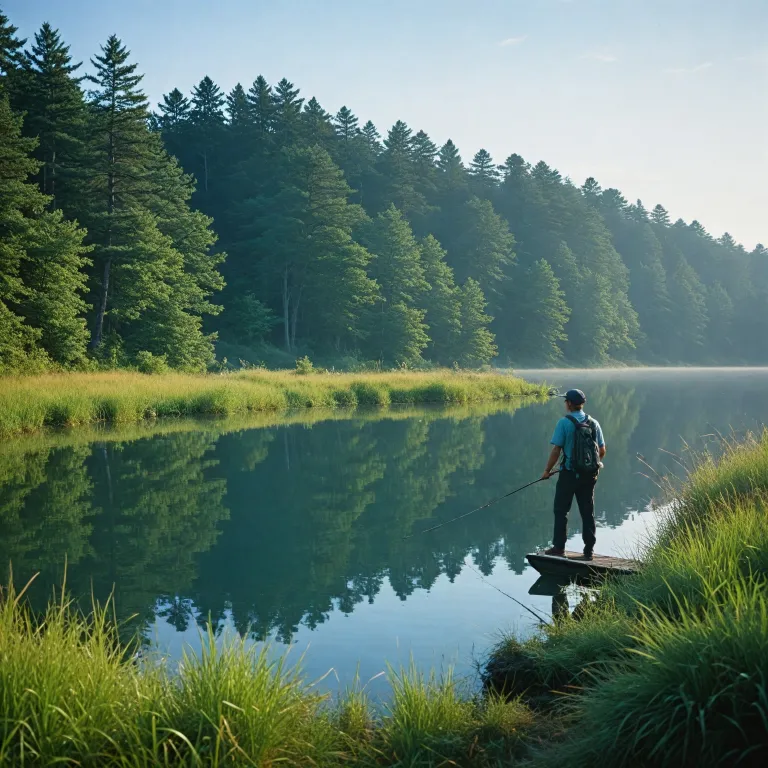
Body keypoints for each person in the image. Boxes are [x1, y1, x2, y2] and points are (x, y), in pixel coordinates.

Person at [540, 389, 606, 560]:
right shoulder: (594, 423)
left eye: (565, 401)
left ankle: (559, 548)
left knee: (561, 511)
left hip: (569, 474)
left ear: (569, 403)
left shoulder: (564, 423)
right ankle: (589, 551)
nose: (565, 404)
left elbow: (556, 450)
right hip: (590, 475)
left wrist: (547, 471)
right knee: (587, 512)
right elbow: (602, 450)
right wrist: (590, 464)